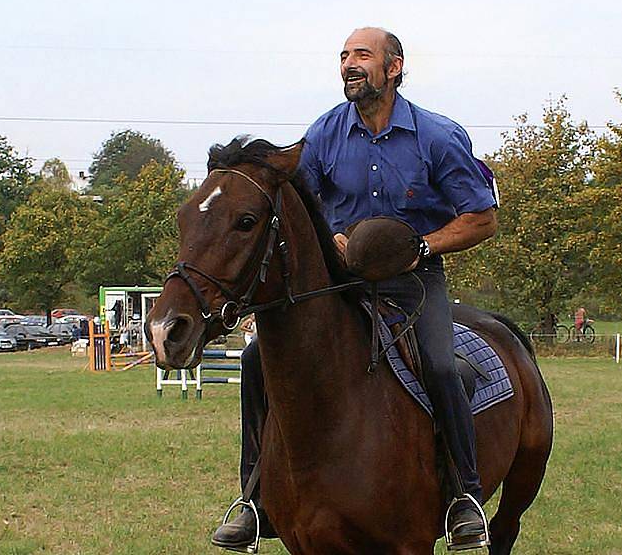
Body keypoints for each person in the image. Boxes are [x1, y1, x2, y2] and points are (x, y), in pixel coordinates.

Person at [212, 27, 498, 551]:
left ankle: (464, 497)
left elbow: (481, 219)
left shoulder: (438, 136)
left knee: (438, 363)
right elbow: (300, 200)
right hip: (340, 282)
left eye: (361, 55)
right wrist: (331, 232)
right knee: (256, 360)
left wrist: (424, 247)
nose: (349, 63)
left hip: (413, 279)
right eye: (343, 56)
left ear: (394, 67)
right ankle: (253, 501)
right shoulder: (323, 133)